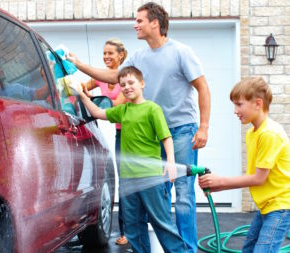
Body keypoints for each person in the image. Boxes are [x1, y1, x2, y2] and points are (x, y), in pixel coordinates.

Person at [67, 3, 211, 251]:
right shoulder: (138, 57)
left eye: (139, 20)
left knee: (184, 194)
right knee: (159, 195)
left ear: (154, 23)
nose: (135, 25)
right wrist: (79, 65)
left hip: (181, 130)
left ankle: (187, 249)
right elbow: (112, 77)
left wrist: (204, 127)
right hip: (153, 136)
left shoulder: (181, 52)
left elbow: (203, 88)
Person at [72, 66, 187, 253]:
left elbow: (166, 138)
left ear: (142, 84)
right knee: (133, 227)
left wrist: (171, 163)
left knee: (162, 223)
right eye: (122, 84)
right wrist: (82, 95)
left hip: (150, 177)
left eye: (131, 83)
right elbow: (97, 113)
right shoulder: (122, 110)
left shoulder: (152, 109)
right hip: (128, 179)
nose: (126, 87)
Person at [198, 77, 290, 253]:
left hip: (280, 206)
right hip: (266, 206)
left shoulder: (270, 134)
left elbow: (258, 178)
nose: (235, 111)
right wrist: (217, 187)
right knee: (248, 249)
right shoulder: (252, 133)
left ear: (257, 103)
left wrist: (221, 182)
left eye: (239, 105)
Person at [83, 38, 129, 245]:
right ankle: (125, 231)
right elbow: (82, 88)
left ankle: (131, 230)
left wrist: (92, 103)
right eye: (104, 53)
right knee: (124, 182)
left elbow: (115, 107)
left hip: (135, 132)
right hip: (121, 133)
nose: (106, 57)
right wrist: (82, 94)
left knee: (133, 181)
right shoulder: (101, 78)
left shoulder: (126, 78)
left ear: (121, 55)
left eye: (110, 53)